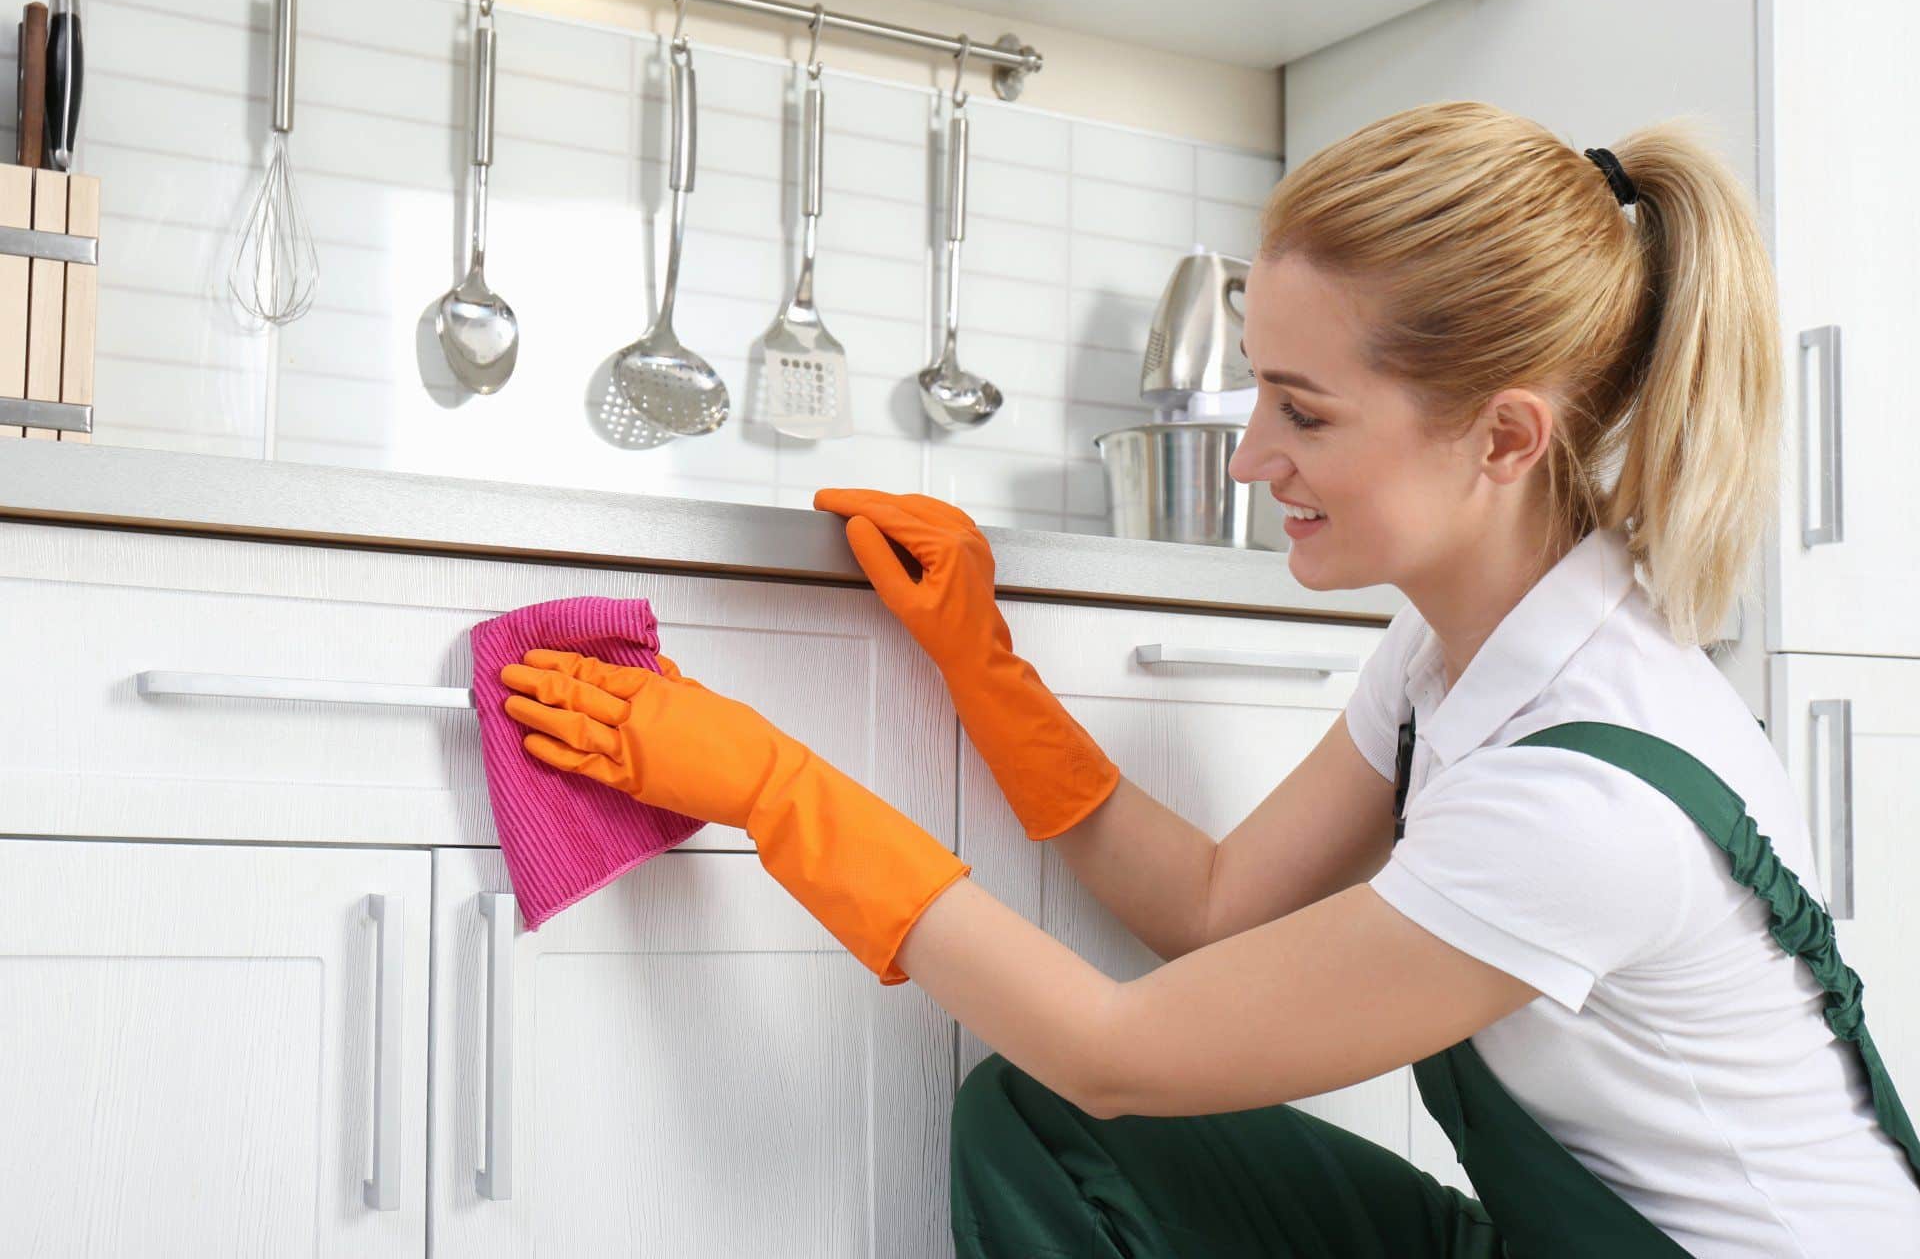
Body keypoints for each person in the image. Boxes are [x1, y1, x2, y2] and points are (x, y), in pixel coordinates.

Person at [496, 101, 1920, 1256]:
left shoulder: (1585, 796)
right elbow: (1218, 906)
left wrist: (775, 786)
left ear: (1503, 439)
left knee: (1082, 1087)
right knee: (1048, 1128)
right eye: (1256, 392)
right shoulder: (1461, 648)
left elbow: (1117, 1044)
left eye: (1303, 411)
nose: (1249, 460)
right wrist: (988, 669)